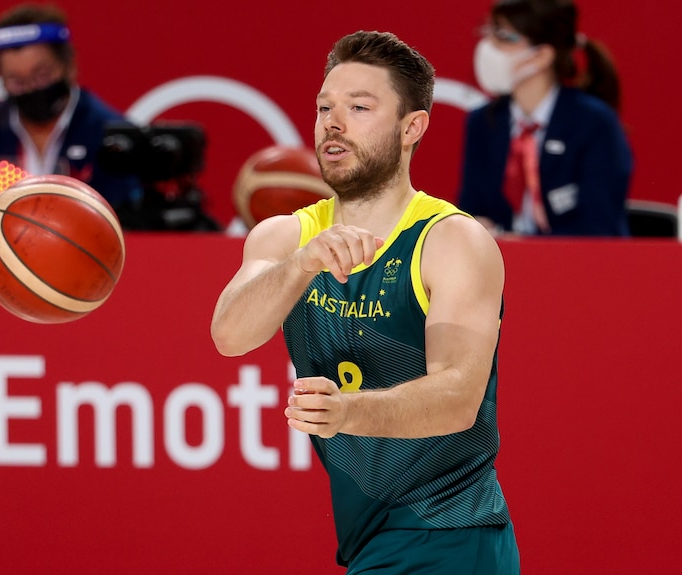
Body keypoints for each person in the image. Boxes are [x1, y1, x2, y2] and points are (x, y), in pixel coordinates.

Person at [211, 30, 519, 574]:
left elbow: (457, 399)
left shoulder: (451, 241)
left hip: (451, 531)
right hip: (370, 540)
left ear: (412, 127)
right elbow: (230, 335)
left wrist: (346, 412)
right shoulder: (285, 237)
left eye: (359, 107)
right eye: (324, 107)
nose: (333, 121)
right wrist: (302, 264)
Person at [0, 3, 141, 225]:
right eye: (16, 81)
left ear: (69, 65)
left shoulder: (109, 134)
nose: (31, 89)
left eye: (41, 76)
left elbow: (129, 222)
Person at [458, 0, 633, 236]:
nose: (489, 47)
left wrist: (526, 245)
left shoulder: (594, 123)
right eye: (489, 33)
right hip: (501, 265)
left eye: (505, 38)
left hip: (577, 266)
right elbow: (472, 208)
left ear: (542, 55)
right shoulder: (484, 122)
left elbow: (599, 227)